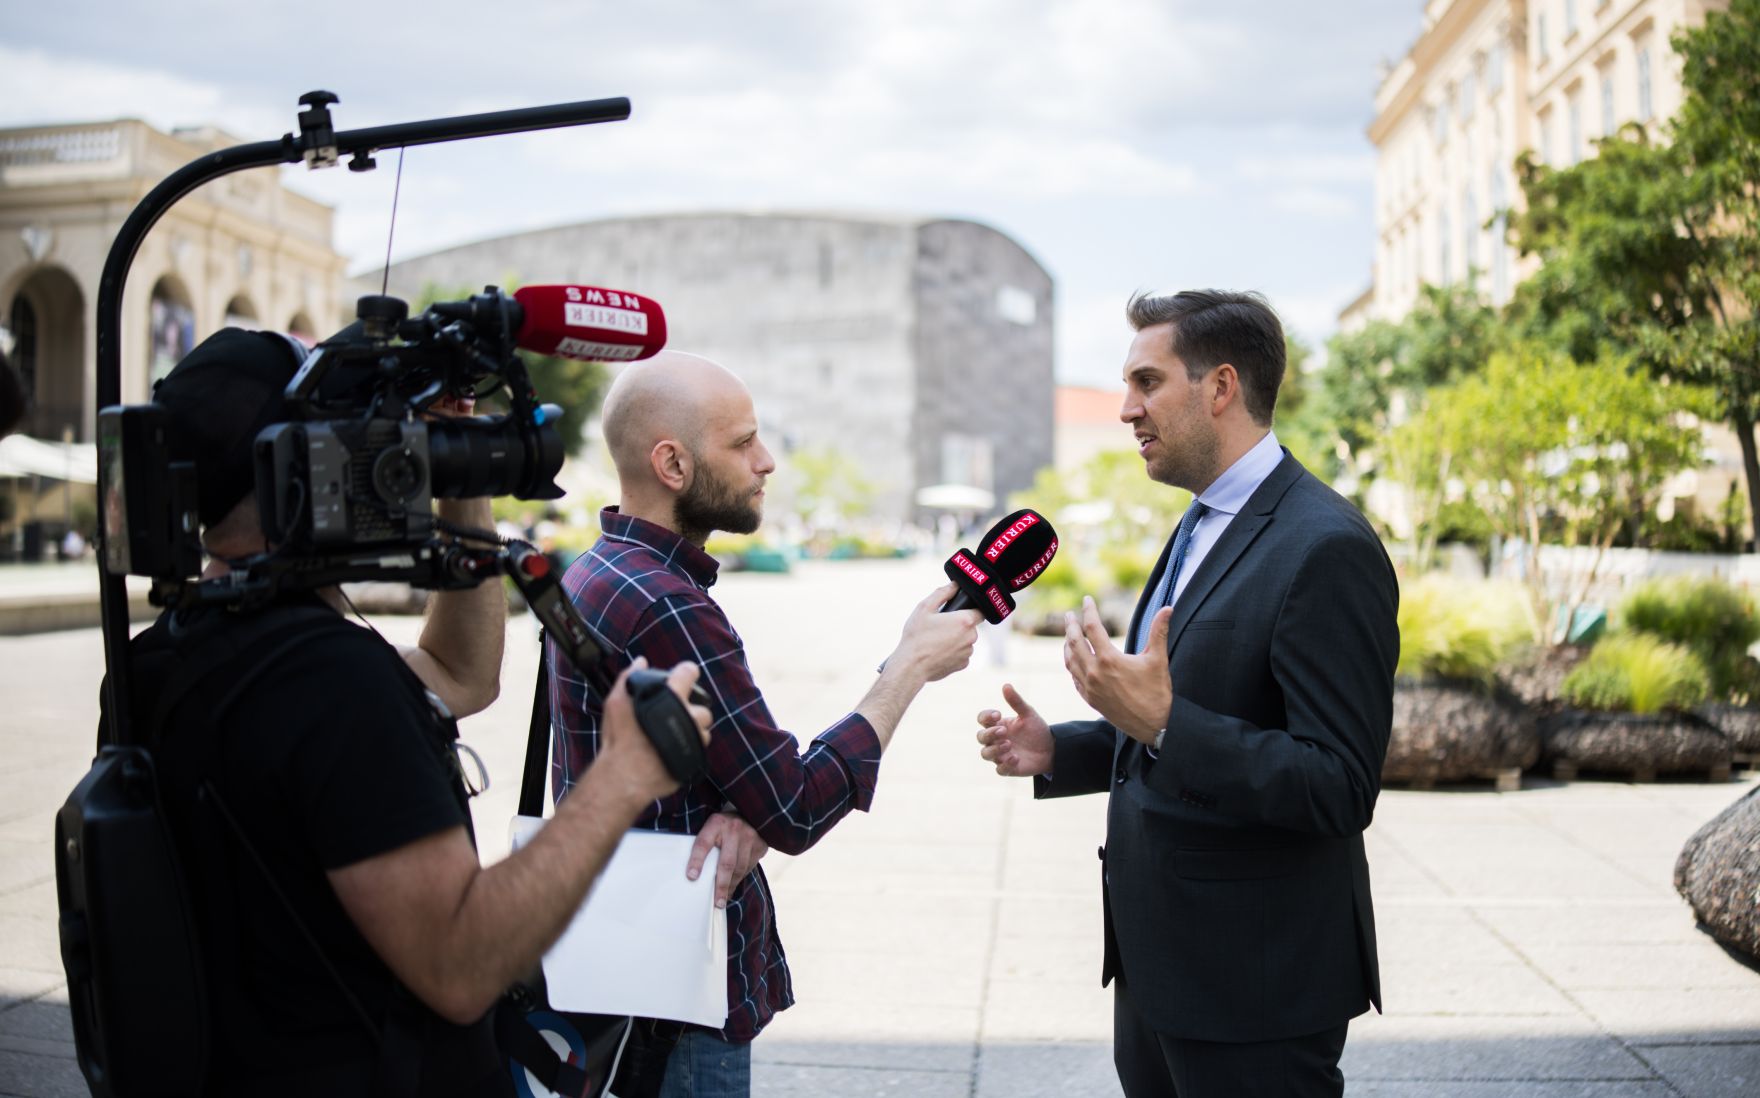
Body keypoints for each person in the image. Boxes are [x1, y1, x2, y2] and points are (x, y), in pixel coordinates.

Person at [110, 328, 711, 1096]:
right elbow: (459, 966)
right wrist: (620, 779)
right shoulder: (330, 682)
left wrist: (462, 480)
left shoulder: (174, 651)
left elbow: (460, 674)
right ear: (309, 461)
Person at [975, 290, 1399, 1098]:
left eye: (1146, 381)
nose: (1126, 410)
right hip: (1158, 968)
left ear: (1221, 388)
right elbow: (1198, 712)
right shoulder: (1200, 520)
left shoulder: (1327, 548)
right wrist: (1061, 748)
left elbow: (1339, 785)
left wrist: (1165, 722)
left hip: (1256, 988)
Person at [550, 350, 983, 1097]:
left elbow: (737, 785)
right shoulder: (671, 605)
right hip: (676, 999)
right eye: (743, 442)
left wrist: (740, 809)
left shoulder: (597, 569)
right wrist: (908, 666)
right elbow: (794, 804)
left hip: (615, 972)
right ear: (673, 464)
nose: (767, 461)